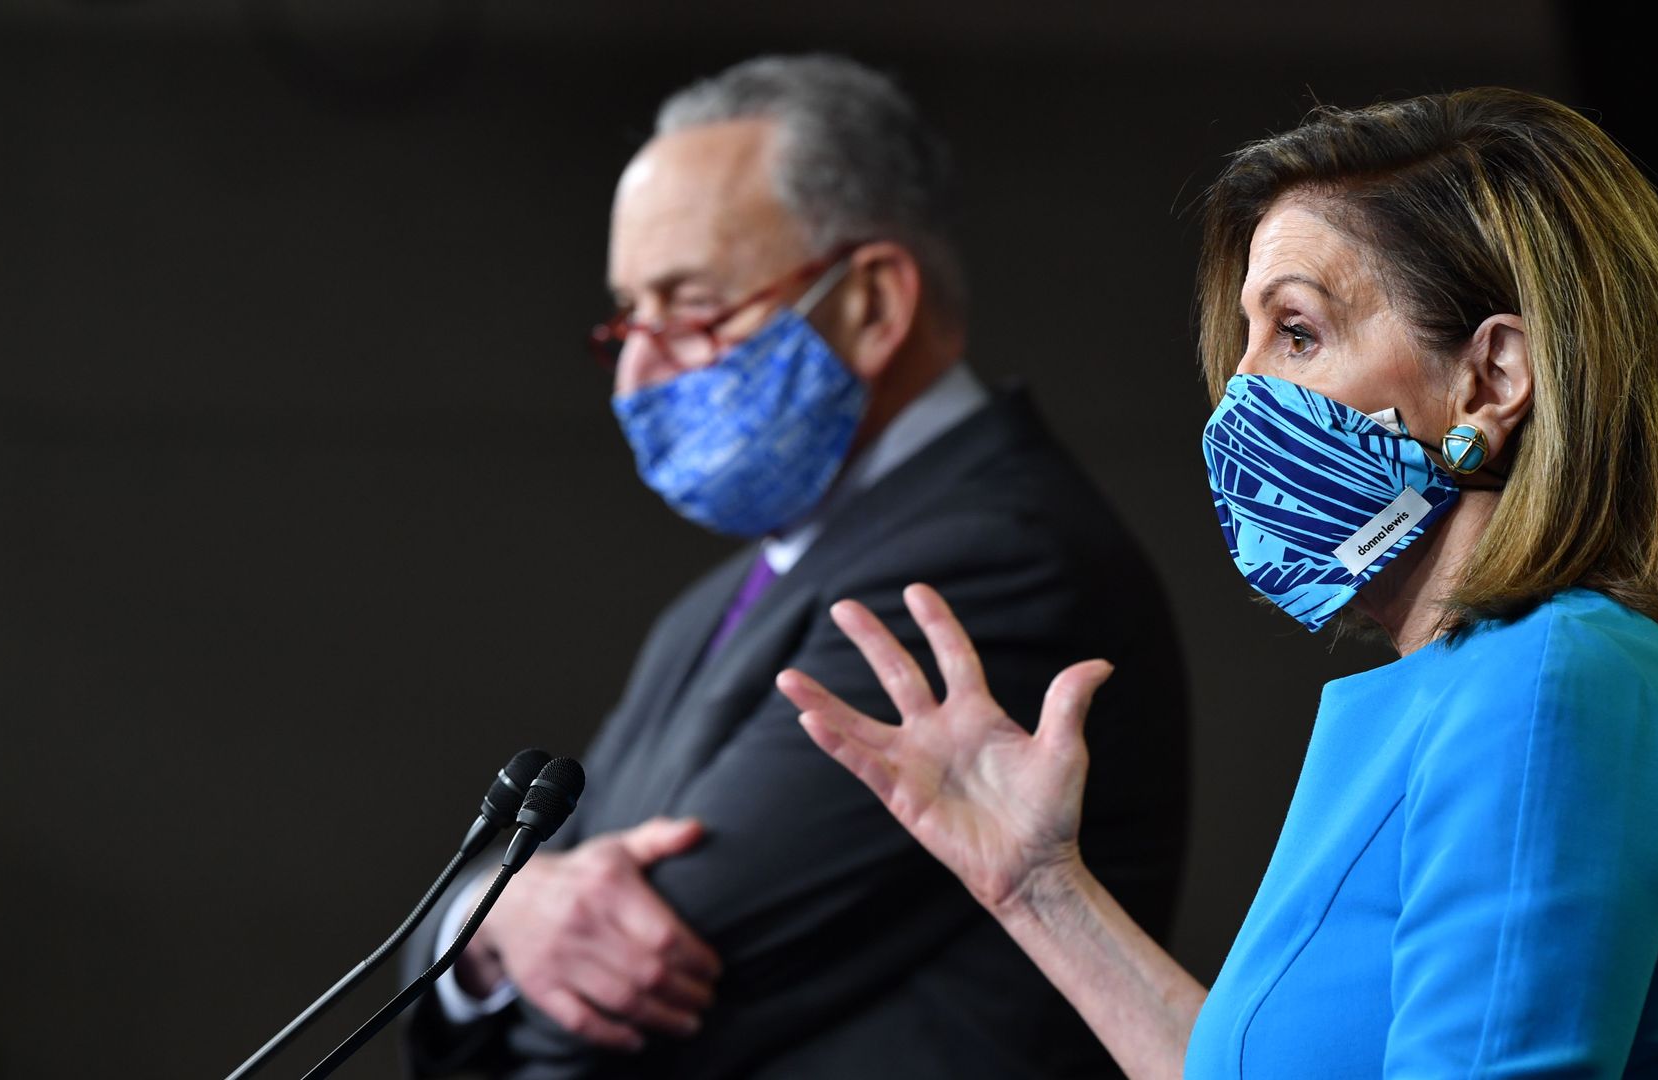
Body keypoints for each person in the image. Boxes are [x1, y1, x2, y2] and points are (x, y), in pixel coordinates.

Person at [780, 87, 1658, 1077]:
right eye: (1245, 341)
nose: (1237, 394)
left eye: (1296, 333)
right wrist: (1039, 887)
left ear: (1491, 378)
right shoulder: (1484, 684)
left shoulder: (1548, 687)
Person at [400, 55, 1193, 1078]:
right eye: (625, 318)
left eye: (689, 307)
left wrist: (504, 930)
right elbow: (478, 932)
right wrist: (500, 915)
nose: (638, 373)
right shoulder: (716, 605)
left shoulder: (993, 559)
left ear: (870, 304)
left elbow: (621, 1003)